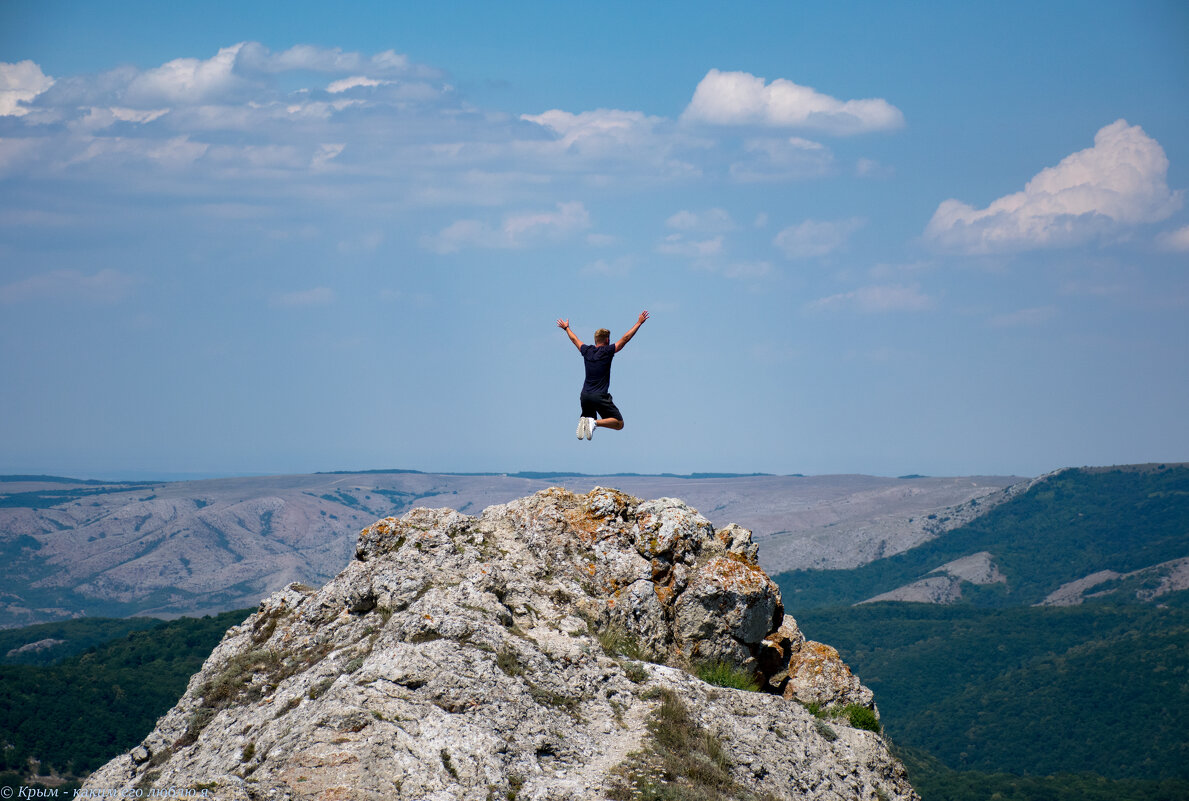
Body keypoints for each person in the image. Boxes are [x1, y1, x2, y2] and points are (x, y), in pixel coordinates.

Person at [556, 311, 649, 440]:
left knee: (588, 424)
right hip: (599, 396)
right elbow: (625, 339)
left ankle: (588, 422)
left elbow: (574, 339)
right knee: (618, 423)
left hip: (585, 396)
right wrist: (639, 323)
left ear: (595, 340)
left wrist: (566, 328)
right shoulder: (607, 351)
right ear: (607, 340)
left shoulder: (587, 350)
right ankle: (593, 422)